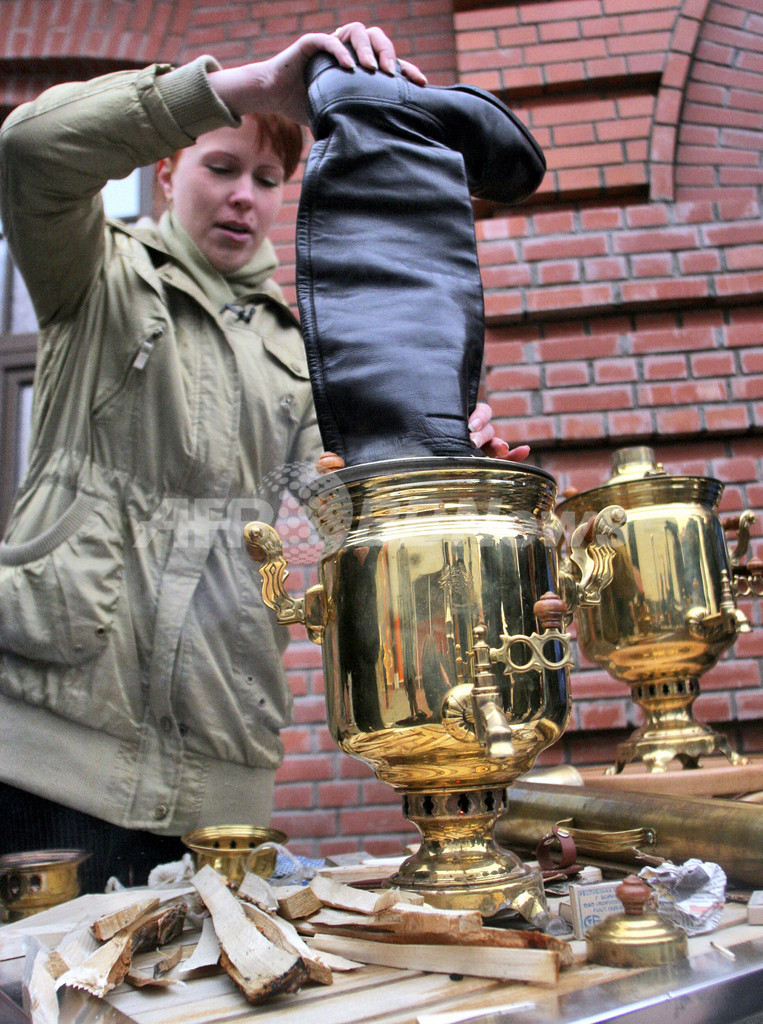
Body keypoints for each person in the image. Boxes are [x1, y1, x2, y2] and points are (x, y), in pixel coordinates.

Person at [0, 24, 526, 892]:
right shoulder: (94, 272)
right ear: (167, 171)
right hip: (45, 751)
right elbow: (30, 149)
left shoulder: (307, 346)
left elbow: (342, 521)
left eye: (269, 178)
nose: (244, 195)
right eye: (220, 166)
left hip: (218, 765)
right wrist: (251, 87)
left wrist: (432, 468)